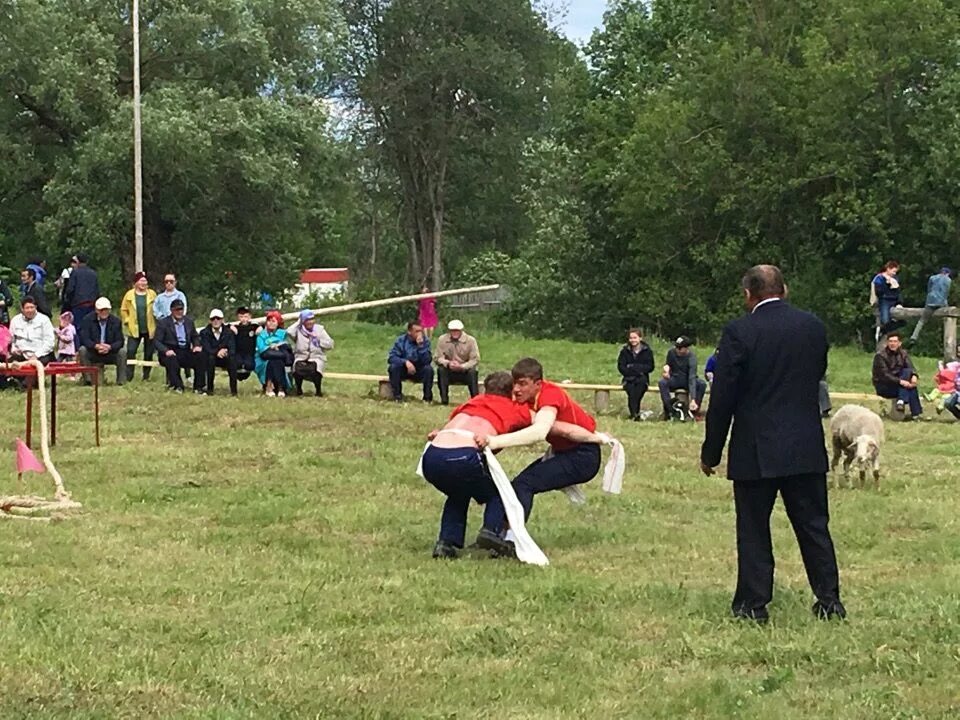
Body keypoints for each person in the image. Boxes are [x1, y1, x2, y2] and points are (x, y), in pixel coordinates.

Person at [700, 265, 844, 624]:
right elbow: (816, 375)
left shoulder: (740, 331)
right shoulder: (813, 327)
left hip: (755, 446)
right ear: (786, 289)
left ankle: (753, 604)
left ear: (749, 294)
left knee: (753, 529)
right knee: (814, 526)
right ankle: (829, 601)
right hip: (805, 443)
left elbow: (724, 395)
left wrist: (711, 451)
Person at [422, 370, 612, 559]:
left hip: (431, 457)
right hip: (463, 457)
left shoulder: (469, 404)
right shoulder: (512, 407)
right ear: (509, 393)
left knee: (458, 491)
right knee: (501, 493)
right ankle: (492, 532)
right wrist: (597, 438)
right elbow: (561, 429)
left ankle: (446, 544)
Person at [474, 358, 602, 556]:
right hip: (564, 451)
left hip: (583, 455)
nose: (516, 389)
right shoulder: (525, 399)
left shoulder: (550, 396)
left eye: (523, 384)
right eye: (515, 383)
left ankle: (512, 541)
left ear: (538, 384)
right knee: (518, 484)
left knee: (524, 485)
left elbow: (539, 432)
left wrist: (494, 442)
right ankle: (495, 535)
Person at [153, 298, 207, 394]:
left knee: (201, 356)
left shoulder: (189, 322)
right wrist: (166, 350)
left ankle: (198, 387)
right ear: (172, 310)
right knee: (172, 359)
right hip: (169, 351)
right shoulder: (163, 323)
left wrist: (196, 345)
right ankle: (178, 386)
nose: (179, 312)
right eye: (177, 310)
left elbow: (195, 336)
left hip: (184, 350)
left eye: (181, 309)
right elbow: (157, 341)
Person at [77, 297, 127, 385]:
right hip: (94, 352)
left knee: (122, 352)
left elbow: (120, 341)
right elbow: (84, 339)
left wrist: (110, 347)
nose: (104, 312)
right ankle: (88, 380)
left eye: (106, 310)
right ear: (96, 310)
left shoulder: (116, 321)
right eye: (101, 310)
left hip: (110, 353)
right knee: (82, 350)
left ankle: (121, 381)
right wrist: (95, 346)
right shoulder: (87, 320)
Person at [872, 331, 922, 419]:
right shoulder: (880, 356)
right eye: (890, 341)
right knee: (909, 387)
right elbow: (885, 375)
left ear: (899, 343)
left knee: (909, 376)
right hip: (885, 385)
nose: (892, 344)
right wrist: (901, 382)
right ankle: (915, 413)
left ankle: (902, 402)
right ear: (887, 343)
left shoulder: (903, 354)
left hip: (899, 384)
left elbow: (910, 367)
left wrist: (914, 376)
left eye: (895, 341)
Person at [120, 271, 158, 381]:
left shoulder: (152, 294)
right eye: (141, 281)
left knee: (148, 353)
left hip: (149, 328)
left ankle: (146, 376)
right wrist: (127, 320)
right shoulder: (129, 295)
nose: (143, 283)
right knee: (131, 351)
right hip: (134, 329)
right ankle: (129, 376)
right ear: (136, 282)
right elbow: (123, 310)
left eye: (145, 281)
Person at [658, 336, 708, 419]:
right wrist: (666, 371)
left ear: (686, 348)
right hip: (675, 378)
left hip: (687, 379)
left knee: (701, 384)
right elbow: (668, 365)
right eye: (676, 347)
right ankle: (670, 410)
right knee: (662, 383)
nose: (677, 350)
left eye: (680, 348)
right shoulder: (671, 353)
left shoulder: (691, 358)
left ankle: (694, 410)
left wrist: (693, 399)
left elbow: (691, 378)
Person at [287, 309, 333, 397]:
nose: (310, 322)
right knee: (297, 368)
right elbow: (289, 331)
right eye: (307, 320)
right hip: (301, 356)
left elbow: (330, 344)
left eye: (312, 319)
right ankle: (299, 390)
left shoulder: (320, 330)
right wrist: (299, 322)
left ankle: (318, 391)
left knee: (316, 368)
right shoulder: (298, 330)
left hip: (316, 357)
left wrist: (319, 342)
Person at [433, 319, 480, 405]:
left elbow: (475, 359)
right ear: (449, 331)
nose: (455, 333)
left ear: (461, 330)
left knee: (473, 372)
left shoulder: (471, 340)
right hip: (449, 370)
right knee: (441, 370)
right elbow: (437, 357)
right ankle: (444, 400)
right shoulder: (442, 339)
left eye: (457, 331)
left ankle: (475, 400)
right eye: (452, 331)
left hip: (465, 371)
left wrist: (462, 366)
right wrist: (448, 363)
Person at [388, 321, 434, 403]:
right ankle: (397, 397)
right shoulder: (401, 341)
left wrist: (421, 347)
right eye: (417, 331)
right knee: (393, 367)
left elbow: (427, 360)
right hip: (404, 369)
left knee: (429, 369)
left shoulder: (425, 341)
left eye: (421, 331)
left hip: (419, 369)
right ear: (409, 332)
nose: (419, 334)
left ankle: (427, 399)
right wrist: (405, 362)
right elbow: (392, 357)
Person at [908, 267, 952, 346]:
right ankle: (945, 339)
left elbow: (929, 289)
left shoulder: (932, 278)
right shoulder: (948, 280)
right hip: (941, 302)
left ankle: (914, 336)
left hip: (930, 302)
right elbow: (946, 292)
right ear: (947, 273)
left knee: (922, 320)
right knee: (947, 317)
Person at [618, 328, 655, 420]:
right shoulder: (624, 351)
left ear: (640, 338)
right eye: (631, 338)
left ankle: (634, 413)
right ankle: (635, 413)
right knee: (631, 390)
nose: (632, 340)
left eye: (635, 338)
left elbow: (650, 367)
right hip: (628, 378)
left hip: (642, 378)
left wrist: (633, 367)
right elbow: (621, 367)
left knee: (638, 389)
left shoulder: (647, 351)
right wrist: (633, 370)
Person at [200, 309, 238, 396]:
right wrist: (218, 351)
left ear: (222, 320)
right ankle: (210, 390)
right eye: (213, 319)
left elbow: (232, 348)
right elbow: (207, 348)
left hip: (225, 357)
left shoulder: (229, 332)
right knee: (210, 359)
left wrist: (225, 351)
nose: (216, 321)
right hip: (211, 357)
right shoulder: (204, 333)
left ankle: (234, 391)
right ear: (210, 321)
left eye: (218, 318)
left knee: (232, 359)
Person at [8, 297, 56, 364]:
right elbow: (11, 339)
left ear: (35, 307)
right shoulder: (15, 320)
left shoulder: (44, 319)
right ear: (22, 309)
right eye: (27, 308)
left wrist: (36, 355)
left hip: (40, 354)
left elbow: (50, 342)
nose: (30, 310)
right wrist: (13, 349)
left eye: (32, 307)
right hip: (21, 354)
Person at [256, 310, 292, 397]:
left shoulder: (283, 333)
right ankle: (279, 387)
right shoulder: (261, 333)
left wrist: (277, 345)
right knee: (273, 359)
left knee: (275, 360)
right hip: (262, 359)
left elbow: (286, 345)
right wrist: (271, 347)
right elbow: (261, 349)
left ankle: (272, 386)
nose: (271, 323)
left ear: (278, 323)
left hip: (277, 357)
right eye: (269, 321)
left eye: (273, 321)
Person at [63, 253, 100, 326]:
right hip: (91, 304)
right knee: (90, 325)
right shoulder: (93, 273)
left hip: (78, 304)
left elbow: (70, 289)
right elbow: (96, 290)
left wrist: (67, 302)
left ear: (78, 261)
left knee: (78, 326)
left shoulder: (75, 273)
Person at [871, 260, 902, 336]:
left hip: (894, 300)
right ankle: (884, 332)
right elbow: (879, 292)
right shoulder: (879, 278)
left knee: (901, 319)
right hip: (884, 300)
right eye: (893, 271)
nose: (894, 274)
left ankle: (884, 331)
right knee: (885, 320)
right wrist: (887, 284)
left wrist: (899, 302)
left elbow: (898, 291)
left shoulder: (894, 278)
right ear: (888, 269)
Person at [231, 307, 259, 382]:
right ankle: (237, 377)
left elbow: (262, 327)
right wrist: (231, 327)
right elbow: (225, 327)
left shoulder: (254, 327)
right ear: (238, 317)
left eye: (246, 316)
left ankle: (245, 375)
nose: (243, 319)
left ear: (250, 316)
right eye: (241, 316)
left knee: (250, 365)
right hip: (238, 352)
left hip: (249, 353)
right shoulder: (235, 327)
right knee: (237, 364)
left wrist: (259, 329)